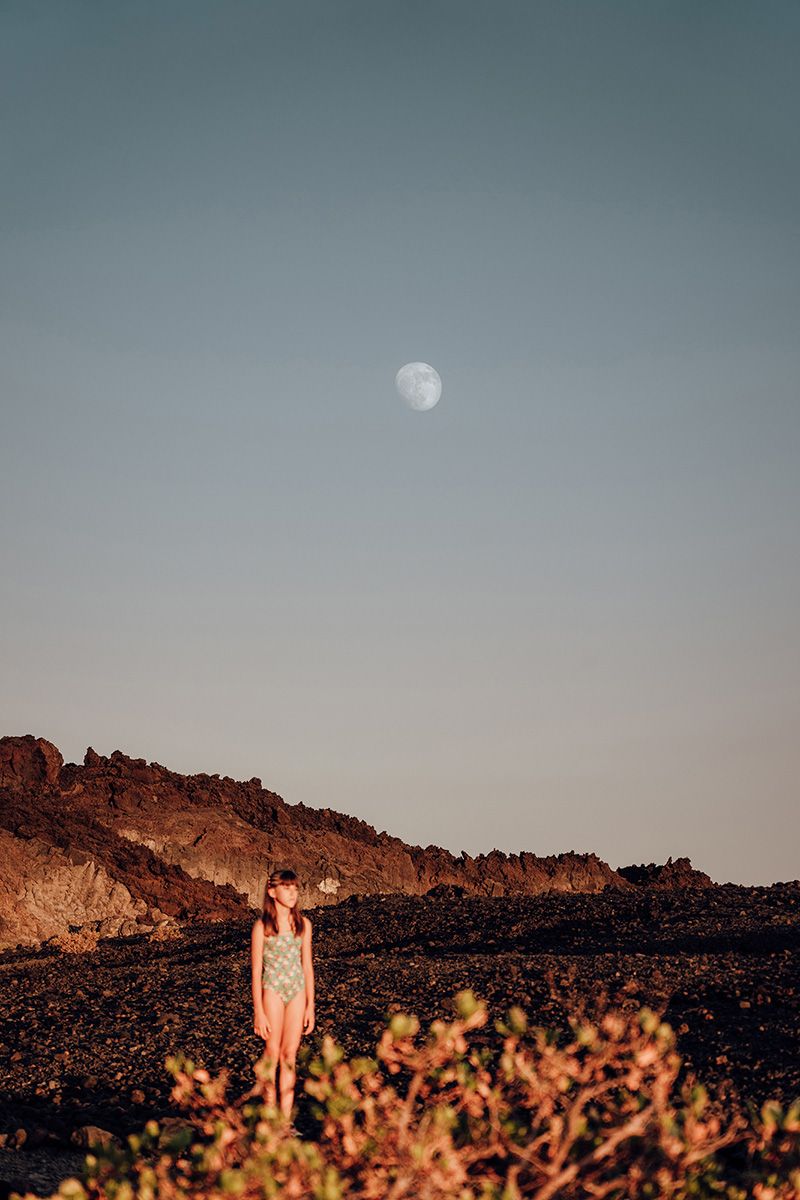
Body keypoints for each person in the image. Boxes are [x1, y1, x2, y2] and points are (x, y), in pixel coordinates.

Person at [250, 868, 315, 1122]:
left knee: (289, 1055)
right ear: (271, 891)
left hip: (297, 990)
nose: (292, 893)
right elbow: (256, 970)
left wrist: (310, 1005)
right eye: (286, 888)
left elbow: (307, 966)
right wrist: (258, 1011)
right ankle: (269, 1115)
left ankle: (285, 1121)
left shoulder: (303, 925)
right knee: (272, 1053)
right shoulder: (262, 927)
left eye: (295, 888)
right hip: (273, 990)